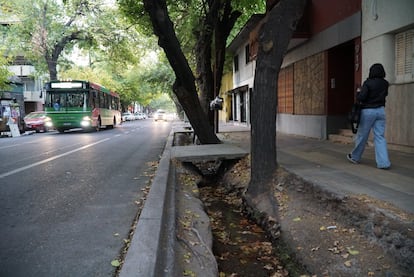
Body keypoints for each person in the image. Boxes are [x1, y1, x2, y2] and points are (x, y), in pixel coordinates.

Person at [347, 63, 391, 169]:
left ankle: (355, 157)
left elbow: (361, 98)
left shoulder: (368, 83)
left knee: (362, 135)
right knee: (380, 137)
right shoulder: (385, 83)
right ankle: (383, 163)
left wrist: (358, 92)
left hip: (368, 111)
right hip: (380, 111)